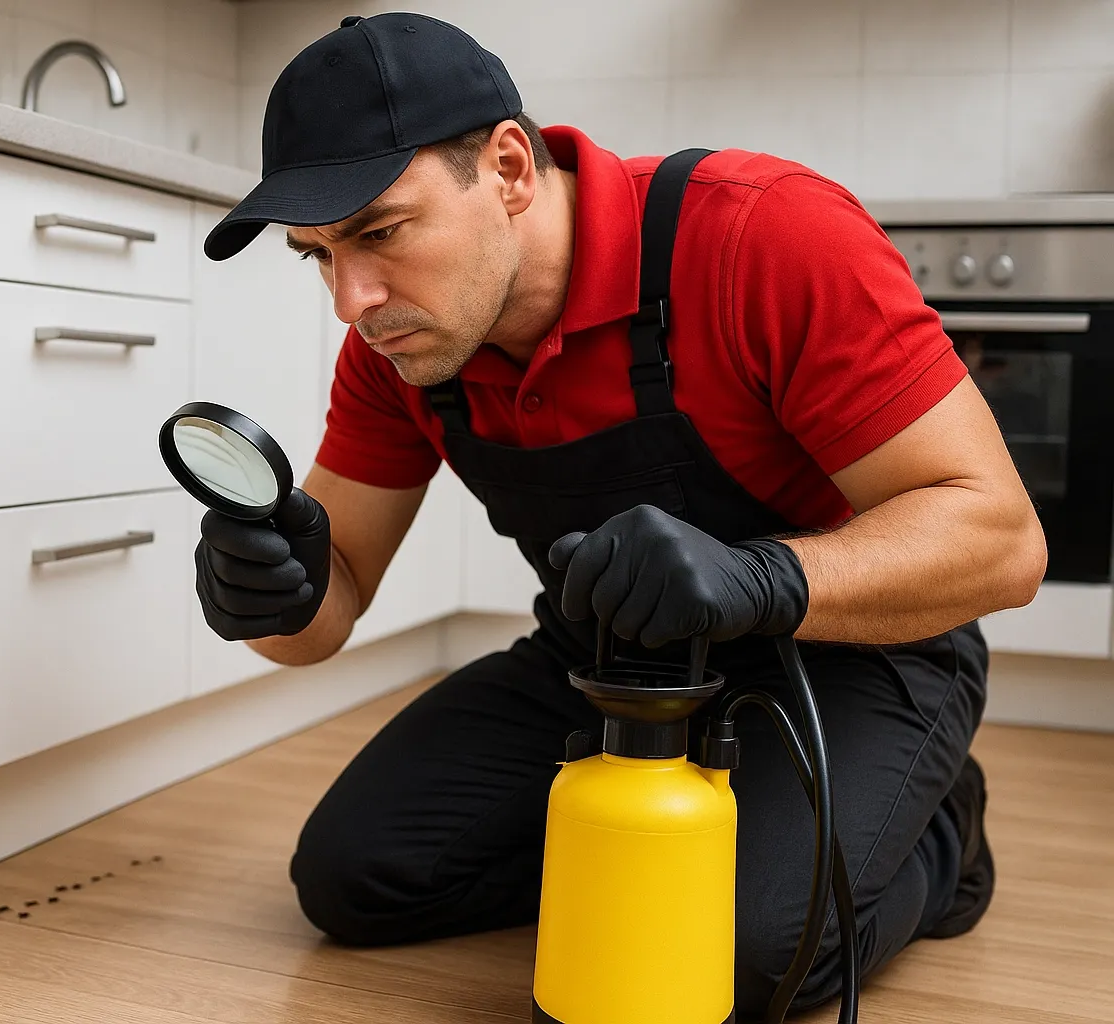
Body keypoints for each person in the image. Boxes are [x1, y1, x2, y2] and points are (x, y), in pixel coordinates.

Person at [194, 12, 1046, 1019]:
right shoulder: (403, 342)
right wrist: (269, 596)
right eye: (317, 257)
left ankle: (938, 829)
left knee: (737, 961)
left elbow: (1002, 538)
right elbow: (329, 597)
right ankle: (729, 844)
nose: (354, 298)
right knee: (355, 878)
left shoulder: (756, 236)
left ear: (509, 168)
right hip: (613, 659)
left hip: (855, 655)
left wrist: (762, 577)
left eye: (378, 232)